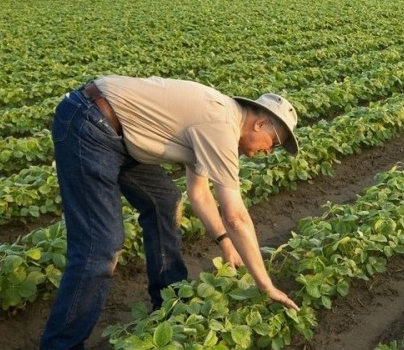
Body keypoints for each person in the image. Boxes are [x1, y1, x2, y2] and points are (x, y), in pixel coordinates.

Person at [40, 75, 301, 349]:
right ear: (260, 123)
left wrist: (224, 242)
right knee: (100, 245)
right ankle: (61, 344)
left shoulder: (220, 122)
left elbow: (198, 193)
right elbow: (235, 216)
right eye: (273, 144)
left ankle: (170, 302)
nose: (269, 152)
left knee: (164, 200)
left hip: (118, 132)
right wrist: (266, 285)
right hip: (90, 123)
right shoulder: (222, 124)